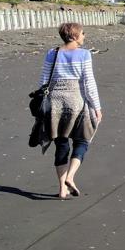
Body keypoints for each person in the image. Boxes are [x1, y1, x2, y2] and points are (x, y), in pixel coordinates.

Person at [38, 22, 103, 199]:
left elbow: (44, 80)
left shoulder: (52, 53)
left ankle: (62, 189)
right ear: (74, 36)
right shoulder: (84, 54)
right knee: (83, 139)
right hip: (76, 101)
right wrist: (97, 107)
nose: (84, 36)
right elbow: (89, 84)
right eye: (83, 33)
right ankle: (71, 177)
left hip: (54, 103)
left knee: (61, 143)